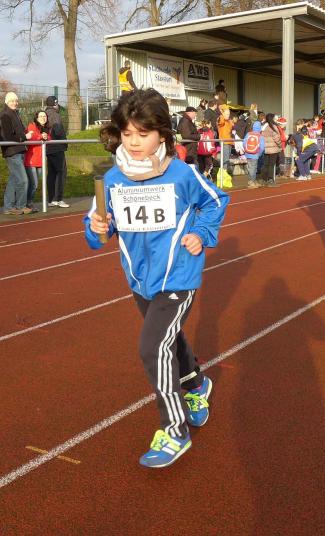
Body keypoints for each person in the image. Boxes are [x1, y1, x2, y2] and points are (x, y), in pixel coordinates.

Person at [85, 88, 228, 468]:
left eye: (143, 134)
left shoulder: (182, 174)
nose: (134, 142)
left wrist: (201, 233)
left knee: (152, 347)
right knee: (168, 338)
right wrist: (98, 228)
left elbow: (215, 201)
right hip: (140, 279)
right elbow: (97, 231)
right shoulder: (112, 180)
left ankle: (174, 430)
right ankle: (196, 383)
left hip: (179, 276)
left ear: (162, 134)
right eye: (127, 134)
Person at [0, 92, 32, 215]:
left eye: (16, 101)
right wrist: (24, 137)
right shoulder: (5, 115)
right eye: (12, 101)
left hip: (18, 150)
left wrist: (26, 134)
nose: (15, 103)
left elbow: (19, 131)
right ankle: (20, 206)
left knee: (13, 180)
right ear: (7, 102)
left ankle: (8, 207)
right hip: (12, 151)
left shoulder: (15, 114)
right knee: (23, 180)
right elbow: (7, 136)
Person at [24, 110, 52, 212]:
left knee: (35, 184)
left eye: (44, 116)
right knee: (34, 184)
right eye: (41, 116)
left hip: (41, 161)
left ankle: (28, 203)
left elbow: (49, 138)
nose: (43, 118)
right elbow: (31, 138)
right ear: (36, 118)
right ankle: (27, 204)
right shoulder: (32, 125)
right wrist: (41, 136)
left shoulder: (47, 128)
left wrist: (46, 136)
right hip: (31, 160)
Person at [45, 96, 69, 208]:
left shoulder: (46, 113)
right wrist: (64, 141)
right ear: (55, 104)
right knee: (61, 173)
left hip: (49, 148)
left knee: (51, 174)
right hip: (57, 147)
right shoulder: (55, 115)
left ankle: (51, 199)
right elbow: (58, 131)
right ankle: (58, 199)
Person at [259, 113, 281, 188]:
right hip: (273, 149)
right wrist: (280, 145)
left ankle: (263, 179)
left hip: (266, 148)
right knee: (271, 165)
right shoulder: (273, 127)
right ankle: (270, 180)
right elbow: (276, 138)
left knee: (265, 164)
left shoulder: (264, 126)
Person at [242, 120, 264, 188]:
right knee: (254, 168)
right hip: (255, 154)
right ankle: (251, 181)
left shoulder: (248, 134)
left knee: (250, 168)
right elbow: (262, 147)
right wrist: (259, 154)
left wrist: (246, 151)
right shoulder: (260, 136)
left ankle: (253, 181)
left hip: (248, 153)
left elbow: (244, 143)